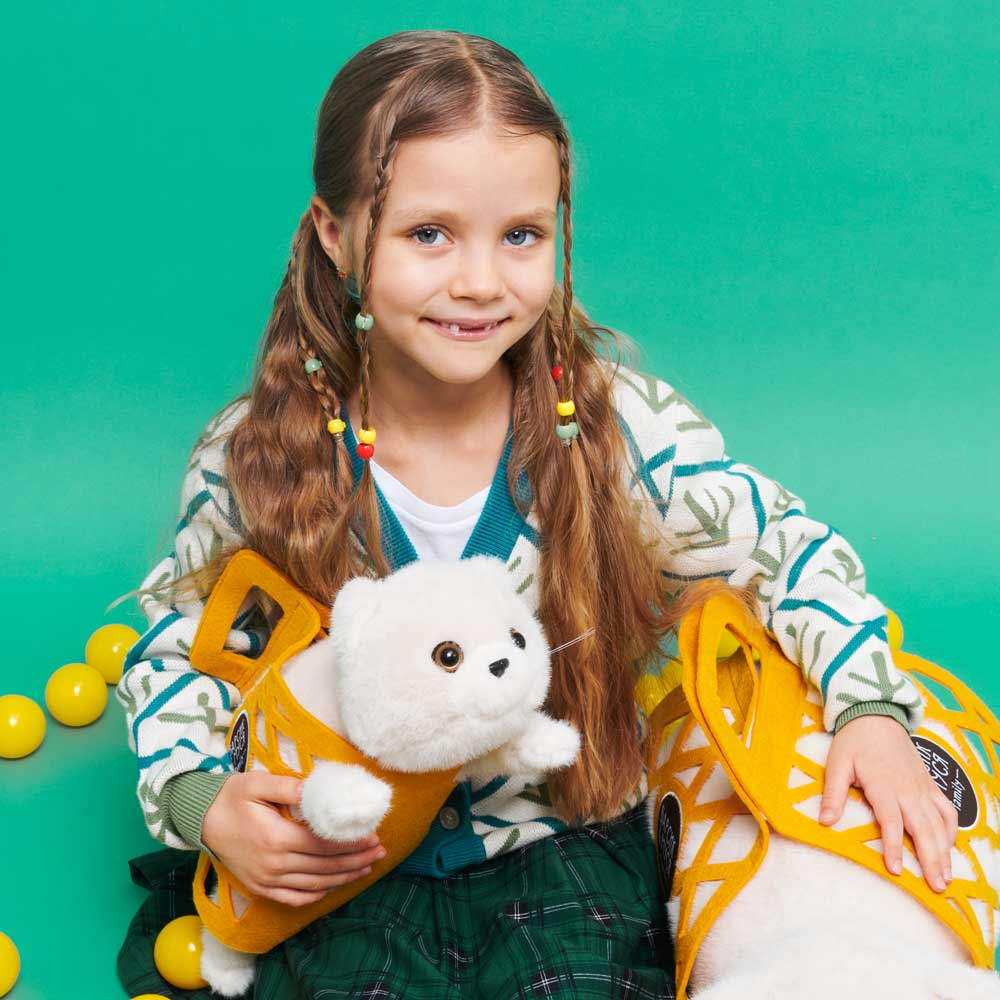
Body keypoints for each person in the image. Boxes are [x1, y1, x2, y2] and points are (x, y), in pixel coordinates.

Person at [114, 29, 957, 1000]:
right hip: (346, 855)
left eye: (520, 235)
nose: (480, 281)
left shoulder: (615, 429)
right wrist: (207, 804)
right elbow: (179, 651)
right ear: (336, 235)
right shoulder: (256, 457)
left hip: (560, 845)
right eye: (429, 234)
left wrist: (868, 710)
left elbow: (786, 551)